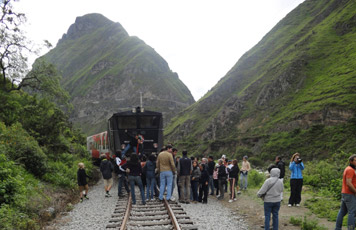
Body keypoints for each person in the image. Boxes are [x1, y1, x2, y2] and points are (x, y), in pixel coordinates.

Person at [335, 154, 356, 230]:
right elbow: (349, 183)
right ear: (351, 161)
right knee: (352, 212)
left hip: (345, 193)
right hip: (349, 194)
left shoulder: (349, 169)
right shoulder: (350, 169)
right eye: (355, 160)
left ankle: (337, 228)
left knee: (342, 212)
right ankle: (350, 228)